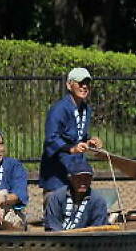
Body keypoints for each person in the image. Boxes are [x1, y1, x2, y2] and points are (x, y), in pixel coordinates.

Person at [39, 67, 103, 195]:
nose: (84, 87)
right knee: (56, 210)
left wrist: (90, 142)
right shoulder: (59, 109)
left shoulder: (86, 109)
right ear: (69, 85)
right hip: (56, 172)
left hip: (77, 170)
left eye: (87, 83)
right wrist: (71, 149)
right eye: (80, 83)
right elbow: (51, 139)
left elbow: (79, 136)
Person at [44, 158, 109, 231]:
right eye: (78, 178)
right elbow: (52, 224)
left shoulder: (98, 201)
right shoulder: (57, 197)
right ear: (70, 178)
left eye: (87, 178)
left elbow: (98, 228)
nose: (83, 182)